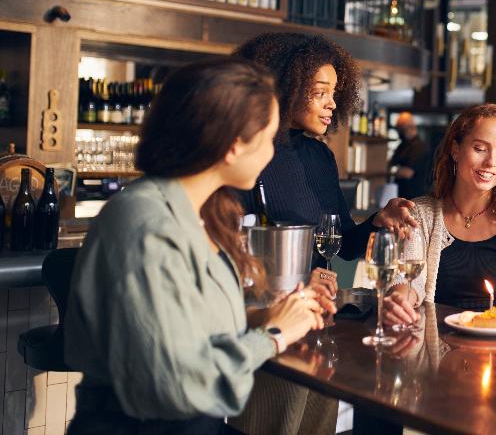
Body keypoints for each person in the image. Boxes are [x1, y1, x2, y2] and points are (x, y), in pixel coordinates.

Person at [65, 59, 335, 434]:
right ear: (232, 144)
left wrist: (270, 315)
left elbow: (191, 326)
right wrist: (274, 336)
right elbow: (176, 386)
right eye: (268, 139)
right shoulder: (146, 223)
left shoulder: (200, 213)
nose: (273, 154)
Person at [235, 33, 417, 295]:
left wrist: (378, 219)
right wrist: (301, 279)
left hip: (315, 308)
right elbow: (236, 252)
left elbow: (343, 244)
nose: (331, 103)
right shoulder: (244, 156)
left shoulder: (320, 156)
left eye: (333, 93)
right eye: (320, 92)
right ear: (285, 87)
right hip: (264, 310)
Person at [383, 104, 496, 329]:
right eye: (480, 149)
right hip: (432, 360)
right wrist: (399, 298)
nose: (492, 162)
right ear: (455, 149)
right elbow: (409, 281)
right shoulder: (420, 215)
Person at [390, 111, 431, 199]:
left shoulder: (419, 147)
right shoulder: (402, 146)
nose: (398, 131)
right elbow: (390, 164)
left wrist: (394, 170)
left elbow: (407, 173)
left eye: (400, 128)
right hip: (400, 196)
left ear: (409, 127)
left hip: (414, 198)